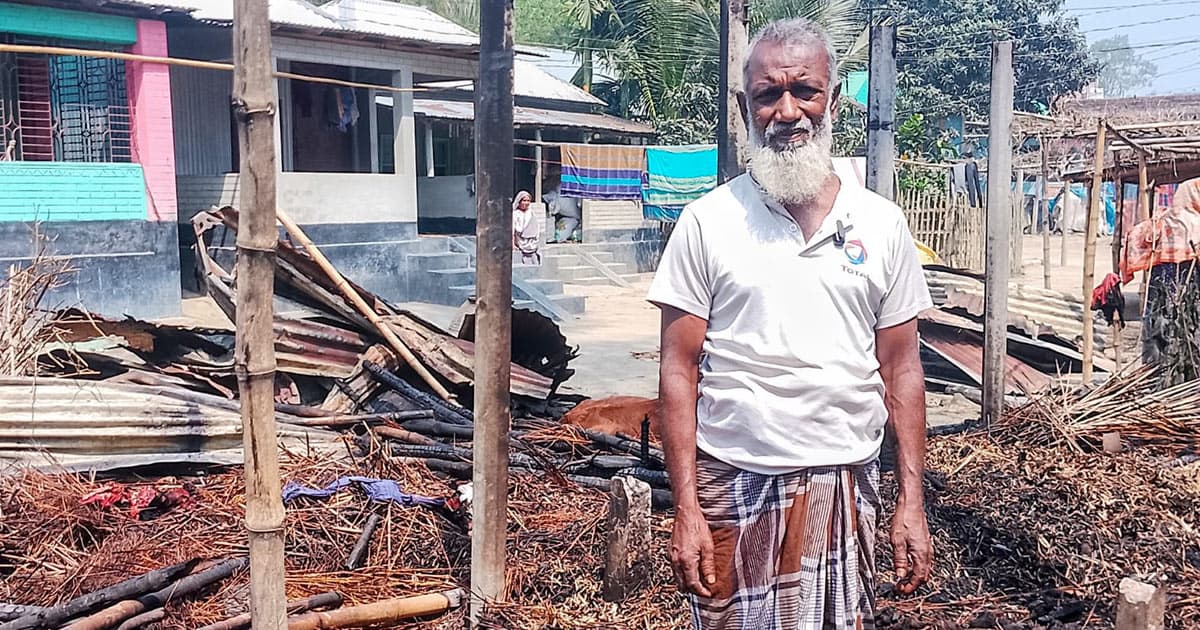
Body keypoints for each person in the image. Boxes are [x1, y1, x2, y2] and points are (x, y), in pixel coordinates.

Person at [647, 18, 934, 629]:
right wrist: (686, 508)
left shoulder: (881, 225)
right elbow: (678, 367)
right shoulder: (708, 222)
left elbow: (902, 369)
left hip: (845, 484)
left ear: (831, 97)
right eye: (767, 95)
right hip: (734, 480)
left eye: (804, 90)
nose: (787, 111)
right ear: (746, 106)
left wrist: (911, 500)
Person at [512, 190, 542, 265]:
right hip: (521, 242)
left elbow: (536, 227)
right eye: (524, 200)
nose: (526, 203)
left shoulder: (531, 213)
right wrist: (513, 245)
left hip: (532, 243)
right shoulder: (515, 214)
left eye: (528, 201)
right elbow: (512, 230)